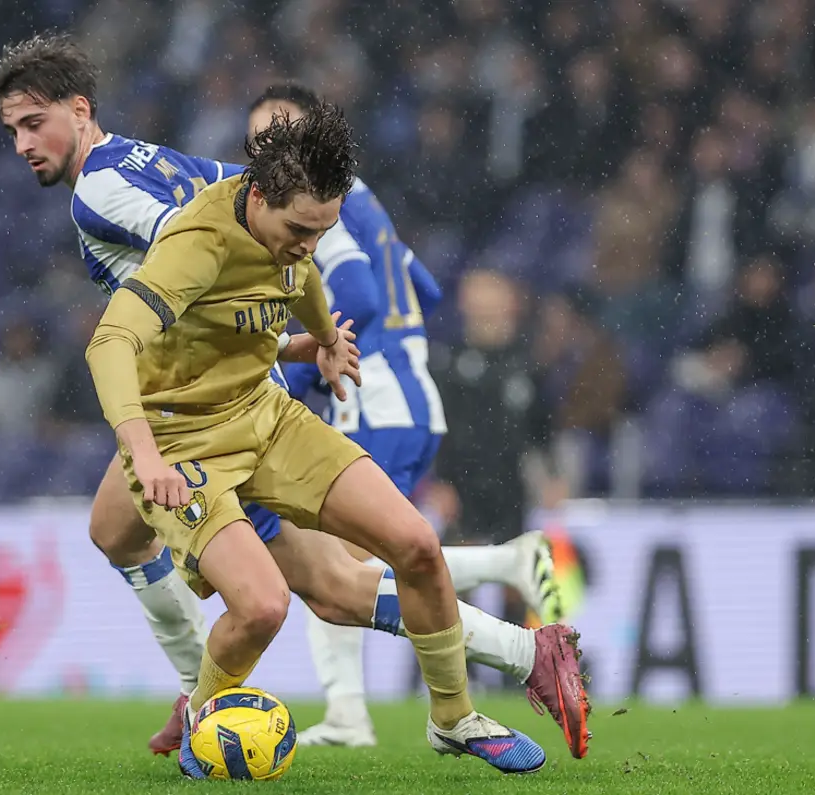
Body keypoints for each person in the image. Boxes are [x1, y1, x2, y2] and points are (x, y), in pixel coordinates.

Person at [0, 33, 589, 768]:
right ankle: (201, 693)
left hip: (232, 403)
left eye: (31, 122)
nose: (21, 143)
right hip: (190, 409)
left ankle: (487, 678)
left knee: (340, 579)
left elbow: (241, 266)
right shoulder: (154, 163)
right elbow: (227, 265)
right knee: (120, 531)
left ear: (79, 110)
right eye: (11, 129)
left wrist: (318, 337)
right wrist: (290, 346)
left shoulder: (111, 193)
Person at [247, 83, 572, 749]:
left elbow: (361, 299)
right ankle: (503, 573)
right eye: (257, 136)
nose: (265, 147)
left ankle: (354, 712)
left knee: (336, 568)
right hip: (410, 392)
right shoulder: (364, 201)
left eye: (278, 131)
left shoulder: (321, 196)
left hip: (373, 397)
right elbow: (417, 282)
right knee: (362, 561)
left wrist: (301, 368)